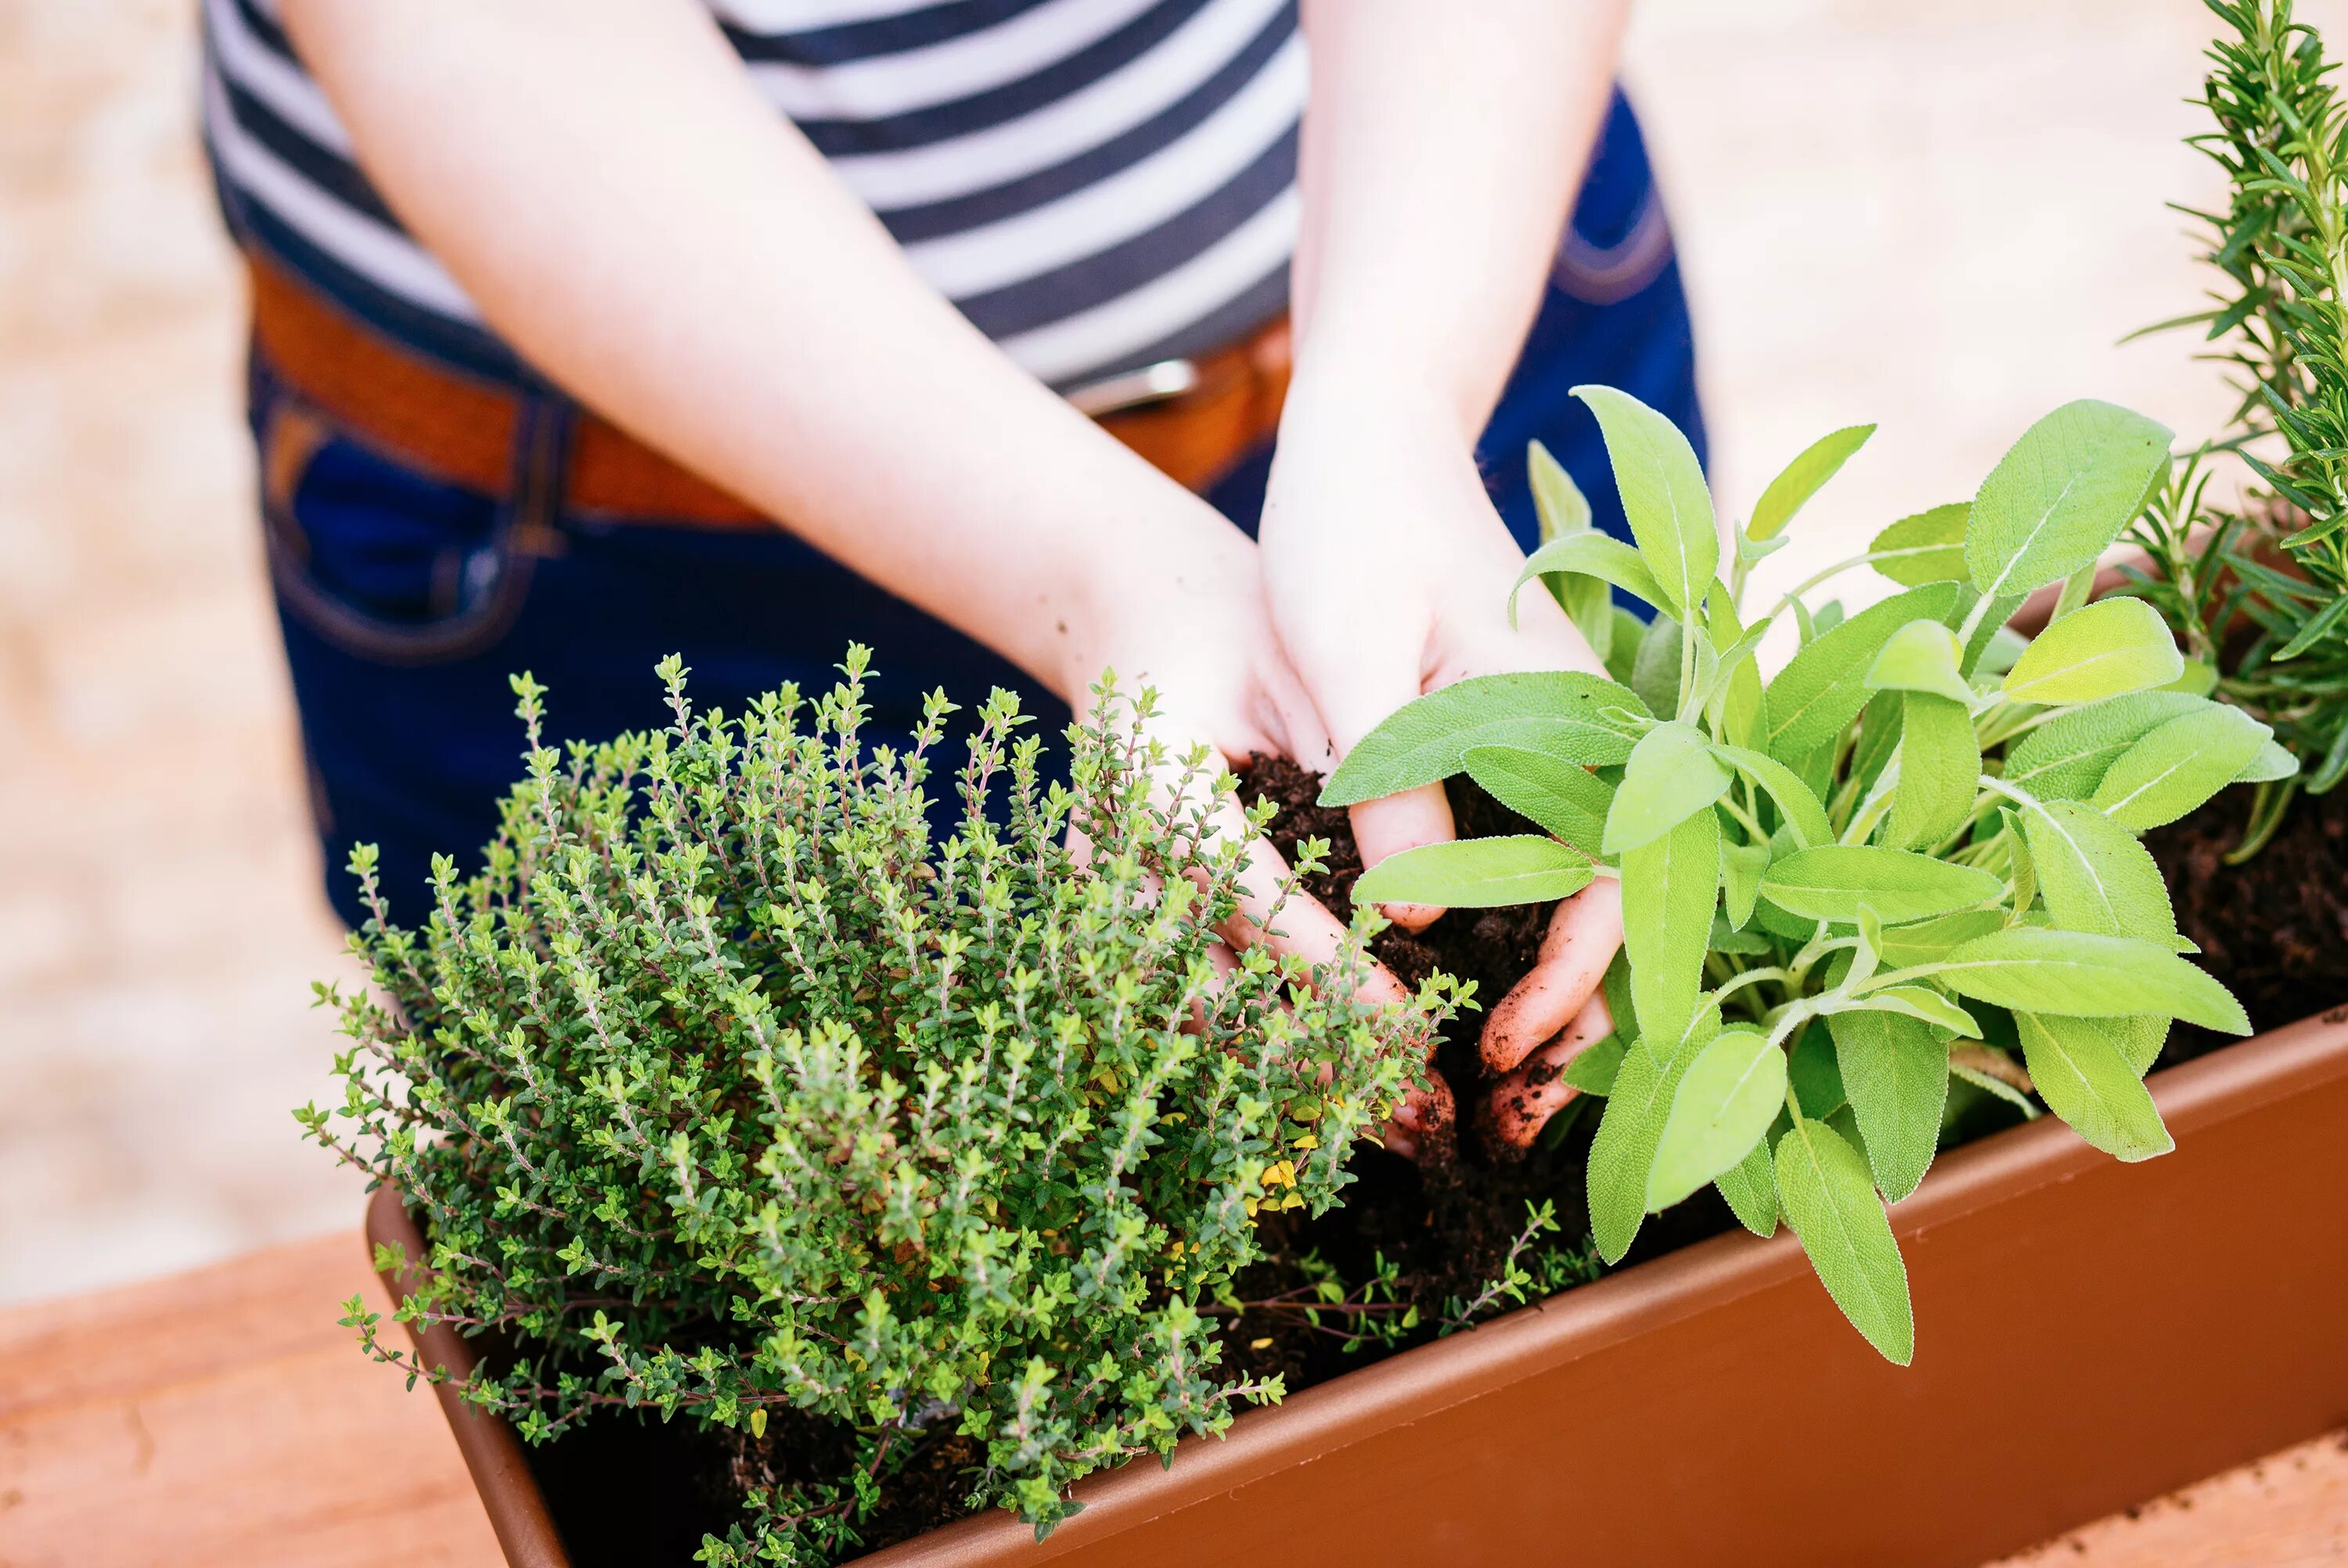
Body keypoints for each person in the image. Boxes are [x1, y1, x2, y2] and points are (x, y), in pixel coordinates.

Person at [200, 0, 1704, 1151]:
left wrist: (1395, 394)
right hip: (645, 549)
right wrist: (1093, 566)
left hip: (1440, 256)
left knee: (1613, 1123)